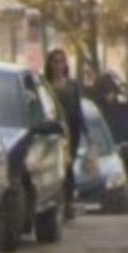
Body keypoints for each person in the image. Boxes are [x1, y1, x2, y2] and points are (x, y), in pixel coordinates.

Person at [45, 48, 86, 221]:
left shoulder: (72, 86)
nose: (58, 65)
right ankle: (54, 202)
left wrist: (86, 133)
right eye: (55, 61)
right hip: (52, 131)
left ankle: (68, 203)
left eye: (61, 61)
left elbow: (78, 111)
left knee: (68, 168)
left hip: (71, 133)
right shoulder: (45, 85)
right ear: (49, 64)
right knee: (54, 167)